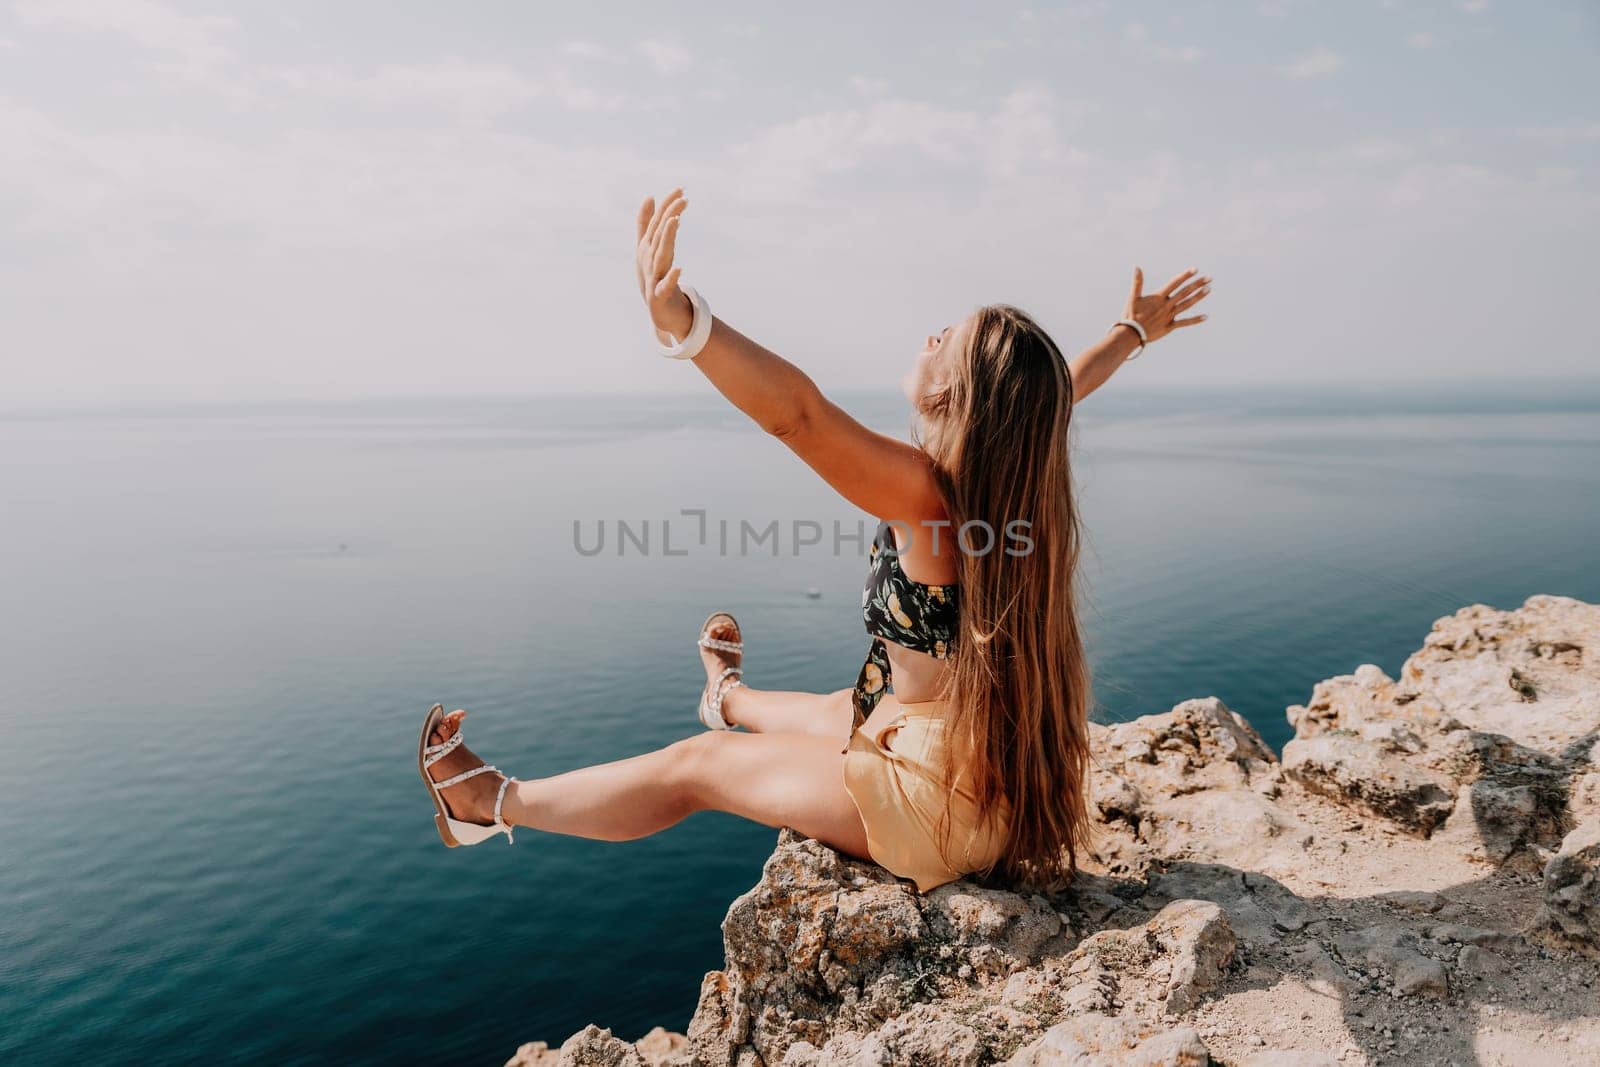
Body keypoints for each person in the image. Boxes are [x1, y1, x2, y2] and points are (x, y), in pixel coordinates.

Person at [417, 188, 1211, 891]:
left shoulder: (927, 495)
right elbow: (1057, 390)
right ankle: (726, 697)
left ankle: (487, 803)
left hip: (939, 806)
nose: (930, 334)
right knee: (846, 705)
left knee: (699, 768)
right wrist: (1129, 334)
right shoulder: (1011, 474)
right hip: (968, 763)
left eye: (949, 340)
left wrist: (683, 325)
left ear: (958, 396)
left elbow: (797, 413)